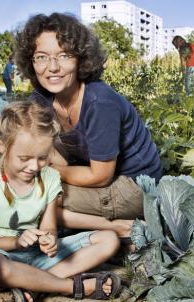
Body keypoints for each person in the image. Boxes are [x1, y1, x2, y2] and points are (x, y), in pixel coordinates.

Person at [14, 13, 162, 238]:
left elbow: (100, 176)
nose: (53, 67)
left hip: (134, 185)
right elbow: (41, 151)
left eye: (64, 55)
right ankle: (102, 228)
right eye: (42, 57)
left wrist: (49, 173)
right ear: (31, 62)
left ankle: (122, 228)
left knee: (34, 196)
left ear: (80, 59)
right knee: (27, 185)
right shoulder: (41, 100)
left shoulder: (99, 102)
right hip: (88, 174)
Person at [0, 100, 122, 302]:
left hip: (38, 256)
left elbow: (49, 226)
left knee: (109, 239)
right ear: (2, 145)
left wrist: (49, 239)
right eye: (24, 158)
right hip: (3, 256)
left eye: (42, 158)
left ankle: (35, 286)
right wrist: (16, 242)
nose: (34, 166)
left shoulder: (49, 177)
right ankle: (70, 286)